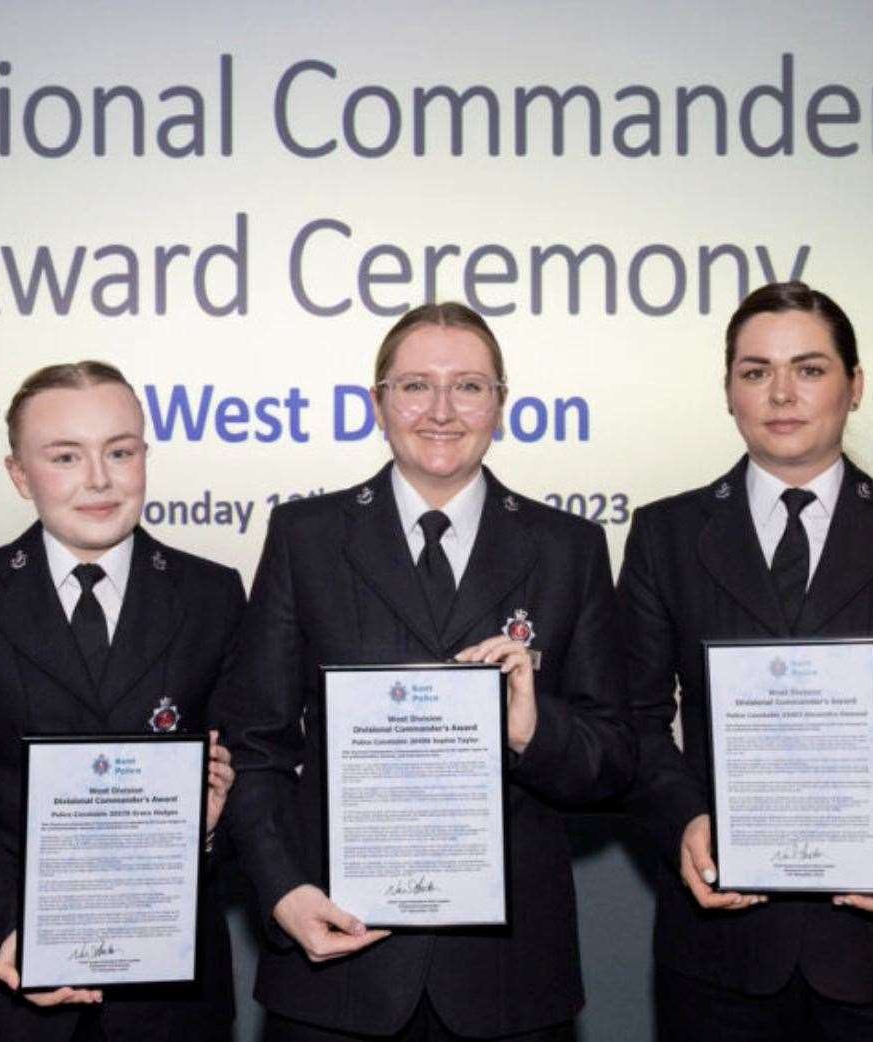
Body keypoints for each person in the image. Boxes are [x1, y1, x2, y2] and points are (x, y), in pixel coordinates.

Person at [216, 302, 635, 1041]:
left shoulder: (568, 548)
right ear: (377, 403)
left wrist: (533, 728)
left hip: (507, 980)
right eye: (415, 386)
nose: (441, 411)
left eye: (468, 386)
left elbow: (612, 761)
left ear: (501, 404)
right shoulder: (306, 539)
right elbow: (256, 745)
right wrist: (282, 893)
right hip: (337, 965)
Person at [618, 283, 873, 1041]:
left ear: (854, 385)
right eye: (754, 370)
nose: (780, 393)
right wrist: (685, 822)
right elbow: (634, 723)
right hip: (721, 953)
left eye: (808, 369)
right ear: (728, 391)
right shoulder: (664, 537)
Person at [0, 361, 243, 1042]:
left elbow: (250, 784)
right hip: (5, 986)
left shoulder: (212, 596)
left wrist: (207, 829)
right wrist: (22, 927)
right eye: (65, 456)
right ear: (20, 475)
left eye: (120, 451)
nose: (99, 479)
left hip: (168, 1003)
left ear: (144, 457)